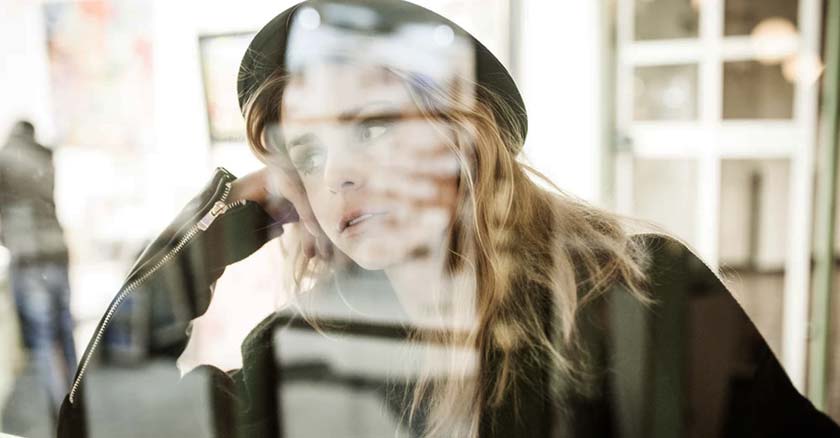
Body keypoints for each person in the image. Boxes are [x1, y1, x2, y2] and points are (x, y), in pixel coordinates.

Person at [59, 1, 840, 437]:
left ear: (463, 133)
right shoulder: (298, 348)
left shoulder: (626, 288)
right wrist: (217, 226)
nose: (343, 174)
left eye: (373, 126)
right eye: (310, 153)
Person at [0, 120, 77, 420]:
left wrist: (8, 239)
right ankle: (75, 400)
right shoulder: (45, 157)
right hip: (57, 249)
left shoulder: (4, 160)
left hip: (29, 257)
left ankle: (59, 411)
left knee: (43, 337)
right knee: (65, 329)